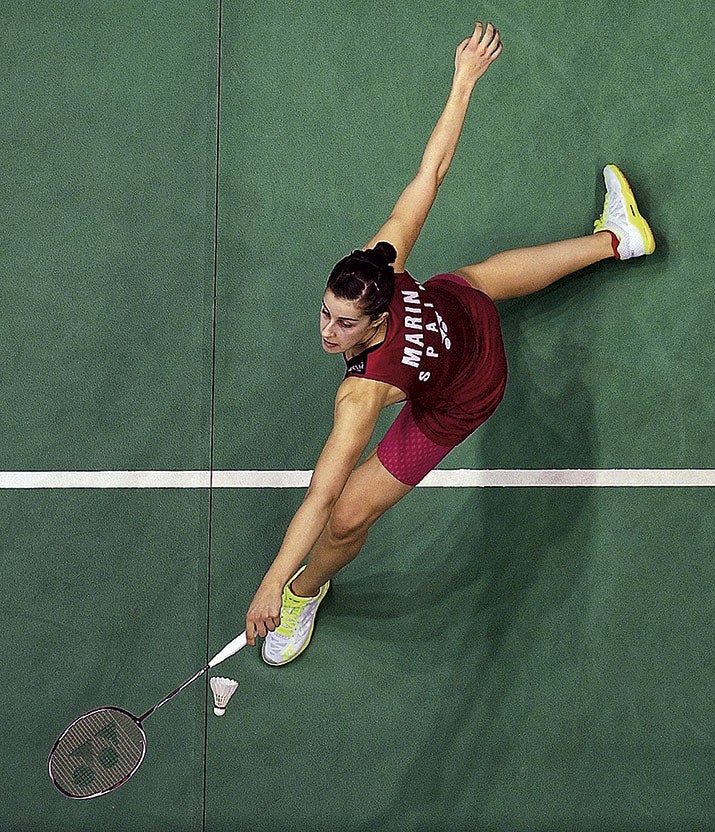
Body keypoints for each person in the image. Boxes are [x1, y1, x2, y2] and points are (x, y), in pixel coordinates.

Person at [244, 21, 655, 665]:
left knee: (348, 516)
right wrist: (462, 82)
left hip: (463, 396)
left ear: (376, 322)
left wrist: (273, 581)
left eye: (345, 325)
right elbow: (428, 174)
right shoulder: (382, 262)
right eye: (326, 312)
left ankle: (305, 591)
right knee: (477, 280)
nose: (327, 331)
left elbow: (323, 495)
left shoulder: (361, 396)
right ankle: (618, 240)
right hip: (462, 315)